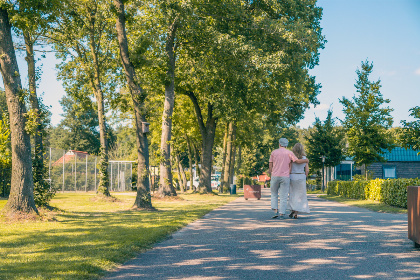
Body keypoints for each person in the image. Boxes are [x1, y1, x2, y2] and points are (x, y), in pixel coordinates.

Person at [268, 138, 309, 219]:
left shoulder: (273, 152)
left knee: (274, 194)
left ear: (279, 144)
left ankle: (275, 211)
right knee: (283, 196)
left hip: (275, 176)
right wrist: (306, 160)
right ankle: (282, 214)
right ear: (286, 145)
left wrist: (271, 173)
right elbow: (297, 161)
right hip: (285, 177)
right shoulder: (289, 153)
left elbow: (270, 164)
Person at [287, 143, 310, 219]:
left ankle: (293, 209)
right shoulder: (305, 158)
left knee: (292, 194)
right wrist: (304, 177)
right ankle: (296, 212)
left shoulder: (291, 158)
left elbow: (289, 168)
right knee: (300, 195)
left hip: (293, 176)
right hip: (301, 176)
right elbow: (307, 170)